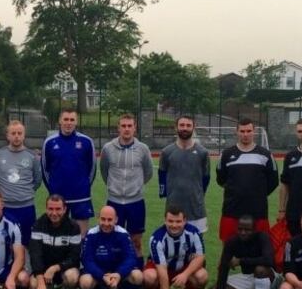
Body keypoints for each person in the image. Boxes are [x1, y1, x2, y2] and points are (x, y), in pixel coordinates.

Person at [100, 113, 153, 264]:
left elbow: (148, 172)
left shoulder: (143, 149)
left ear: (135, 128)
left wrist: (136, 186)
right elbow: (104, 171)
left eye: (130, 126)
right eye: (123, 126)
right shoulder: (108, 148)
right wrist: (113, 187)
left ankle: (137, 274)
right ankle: (113, 274)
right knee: (113, 239)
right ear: (118, 128)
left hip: (136, 202)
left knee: (136, 240)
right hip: (114, 201)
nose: (127, 129)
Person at [215, 117, 278, 242]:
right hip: (231, 210)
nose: (245, 135)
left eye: (248, 131)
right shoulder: (227, 154)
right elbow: (221, 179)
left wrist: (257, 194)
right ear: (236, 132)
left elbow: (273, 181)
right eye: (242, 131)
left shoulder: (265, 154)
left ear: (254, 131)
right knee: (228, 250)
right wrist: (236, 192)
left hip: (258, 211)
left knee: (259, 251)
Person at [143, 206, 207, 289]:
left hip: (183, 268)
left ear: (185, 221)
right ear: (165, 220)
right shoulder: (156, 238)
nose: (174, 225)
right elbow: (161, 269)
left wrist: (185, 275)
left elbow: (200, 257)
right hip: (163, 269)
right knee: (148, 277)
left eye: (178, 221)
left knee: (202, 276)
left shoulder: (194, 232)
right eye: (170, 221)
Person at [210, 215, 274, 289]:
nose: (243, 232)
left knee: (260, 270)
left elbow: (268, 261)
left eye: (247, 230)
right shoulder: (231, 242)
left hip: (269, 277)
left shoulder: (263, 237)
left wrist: (241, 261)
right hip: (247, 278)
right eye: (240, 229)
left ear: (254, 230)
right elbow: (224, 269)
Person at [41, 108, 96, 236]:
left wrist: (84, 185)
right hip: (58, 198)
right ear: (60, 121)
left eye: (72, 120)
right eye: (66, 119)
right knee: (57, 238)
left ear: (76, 122)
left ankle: (79, 257)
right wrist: (53, 188)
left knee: (81, 238)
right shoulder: (49, 142)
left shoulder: (87, 142)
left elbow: (92, 168)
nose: (68, 123)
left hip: (81, 197)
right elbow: (45, 170)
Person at [79, 206, 143, 289]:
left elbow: (131, 258)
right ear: (98, 218)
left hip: (117, 273)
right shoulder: (91, 234)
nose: (106, 223)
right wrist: (102, 275)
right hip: (99, 274)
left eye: (110, 220)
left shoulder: (123, 234)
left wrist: (119, 274)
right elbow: (87, 260)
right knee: (85, 283)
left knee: (138, 276)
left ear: (116, 220)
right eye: (103, 219)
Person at [0, 120, 42, 247]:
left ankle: (25, 267)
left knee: (26, 242)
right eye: (13, 133)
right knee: (4, 241)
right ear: (7, 135)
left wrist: (25, 193)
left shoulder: (32, 156)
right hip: (5, 207)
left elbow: (37, 180)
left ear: (24, 135)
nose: (16, 136)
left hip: (26, 207)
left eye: (19, 133)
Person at [158, 115, 210, 233]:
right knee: (173, 246)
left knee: (197, 246)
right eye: (182, 125)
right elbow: (162, 174)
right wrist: (163, 193)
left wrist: (199, 194)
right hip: (173, 209)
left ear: (193, 127)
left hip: (196, 208)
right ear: (176, 127)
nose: (185, 128)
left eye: (188, 125)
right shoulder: (167, 152)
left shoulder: (203, 153)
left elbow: (206, 178)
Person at [28, 195, 82, 289]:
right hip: (44, 270)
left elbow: (74, 256)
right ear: (46, 209)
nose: (54, 213)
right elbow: (35, 254)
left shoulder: (73, 227)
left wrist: (55, 268)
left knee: (72, 277)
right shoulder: (38, 225)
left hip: (64, 269)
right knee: (33, 284)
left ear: (65, 209)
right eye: (51, 209)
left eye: (58, 209)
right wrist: (40, 281)